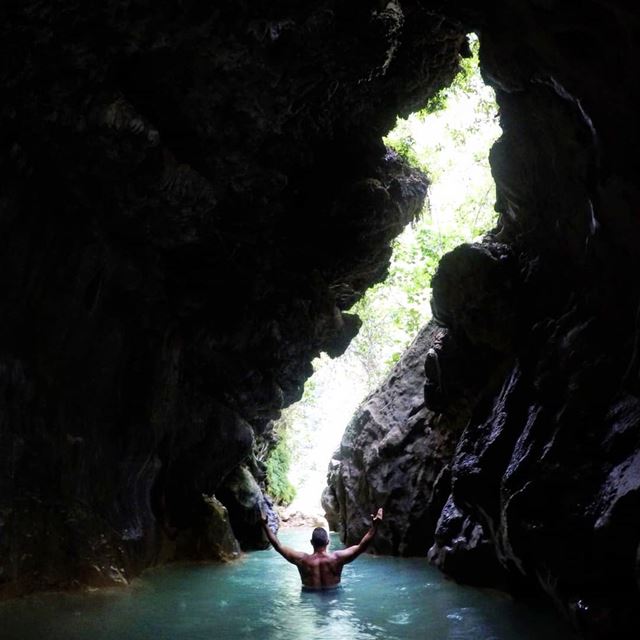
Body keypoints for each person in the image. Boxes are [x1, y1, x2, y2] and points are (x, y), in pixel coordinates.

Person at [260, 507, 384, 590]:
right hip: (333, 597)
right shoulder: (337, 558)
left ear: (311, 543)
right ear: (328, 542)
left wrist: (265, 525)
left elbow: (278, 546)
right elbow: (362, 547)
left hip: (309, 599)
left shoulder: (301, 560)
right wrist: (375, 527)